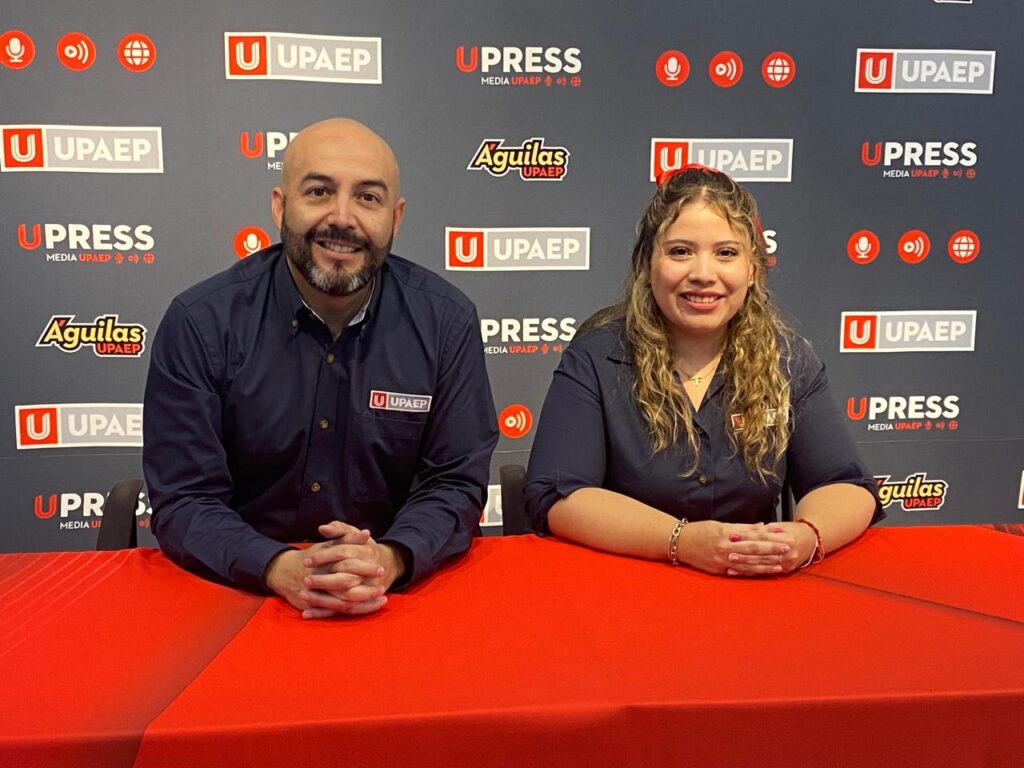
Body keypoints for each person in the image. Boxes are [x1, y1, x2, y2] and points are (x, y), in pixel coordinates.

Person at [143, 118, 497, 617]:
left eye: (368, 198)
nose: (342, 218)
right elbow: (185, 499)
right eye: (319, 192)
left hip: (393, 598)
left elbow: (454, 483)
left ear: (395, 218)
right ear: (280, 206)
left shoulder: (446, 322)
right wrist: (278, 566)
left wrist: (390, 559)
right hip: (242, 595)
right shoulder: (201, 323)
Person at [524, 165, 882, 576]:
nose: (703, 274)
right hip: (625, 584)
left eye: (726, 253)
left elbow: (847, 486)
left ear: (753, 268)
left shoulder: (788, 360)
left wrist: (806, 537)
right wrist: (681, 541)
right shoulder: (595, 356)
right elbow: (557, 494)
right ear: (647, 264)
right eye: (680, 251)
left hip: (750, 586)